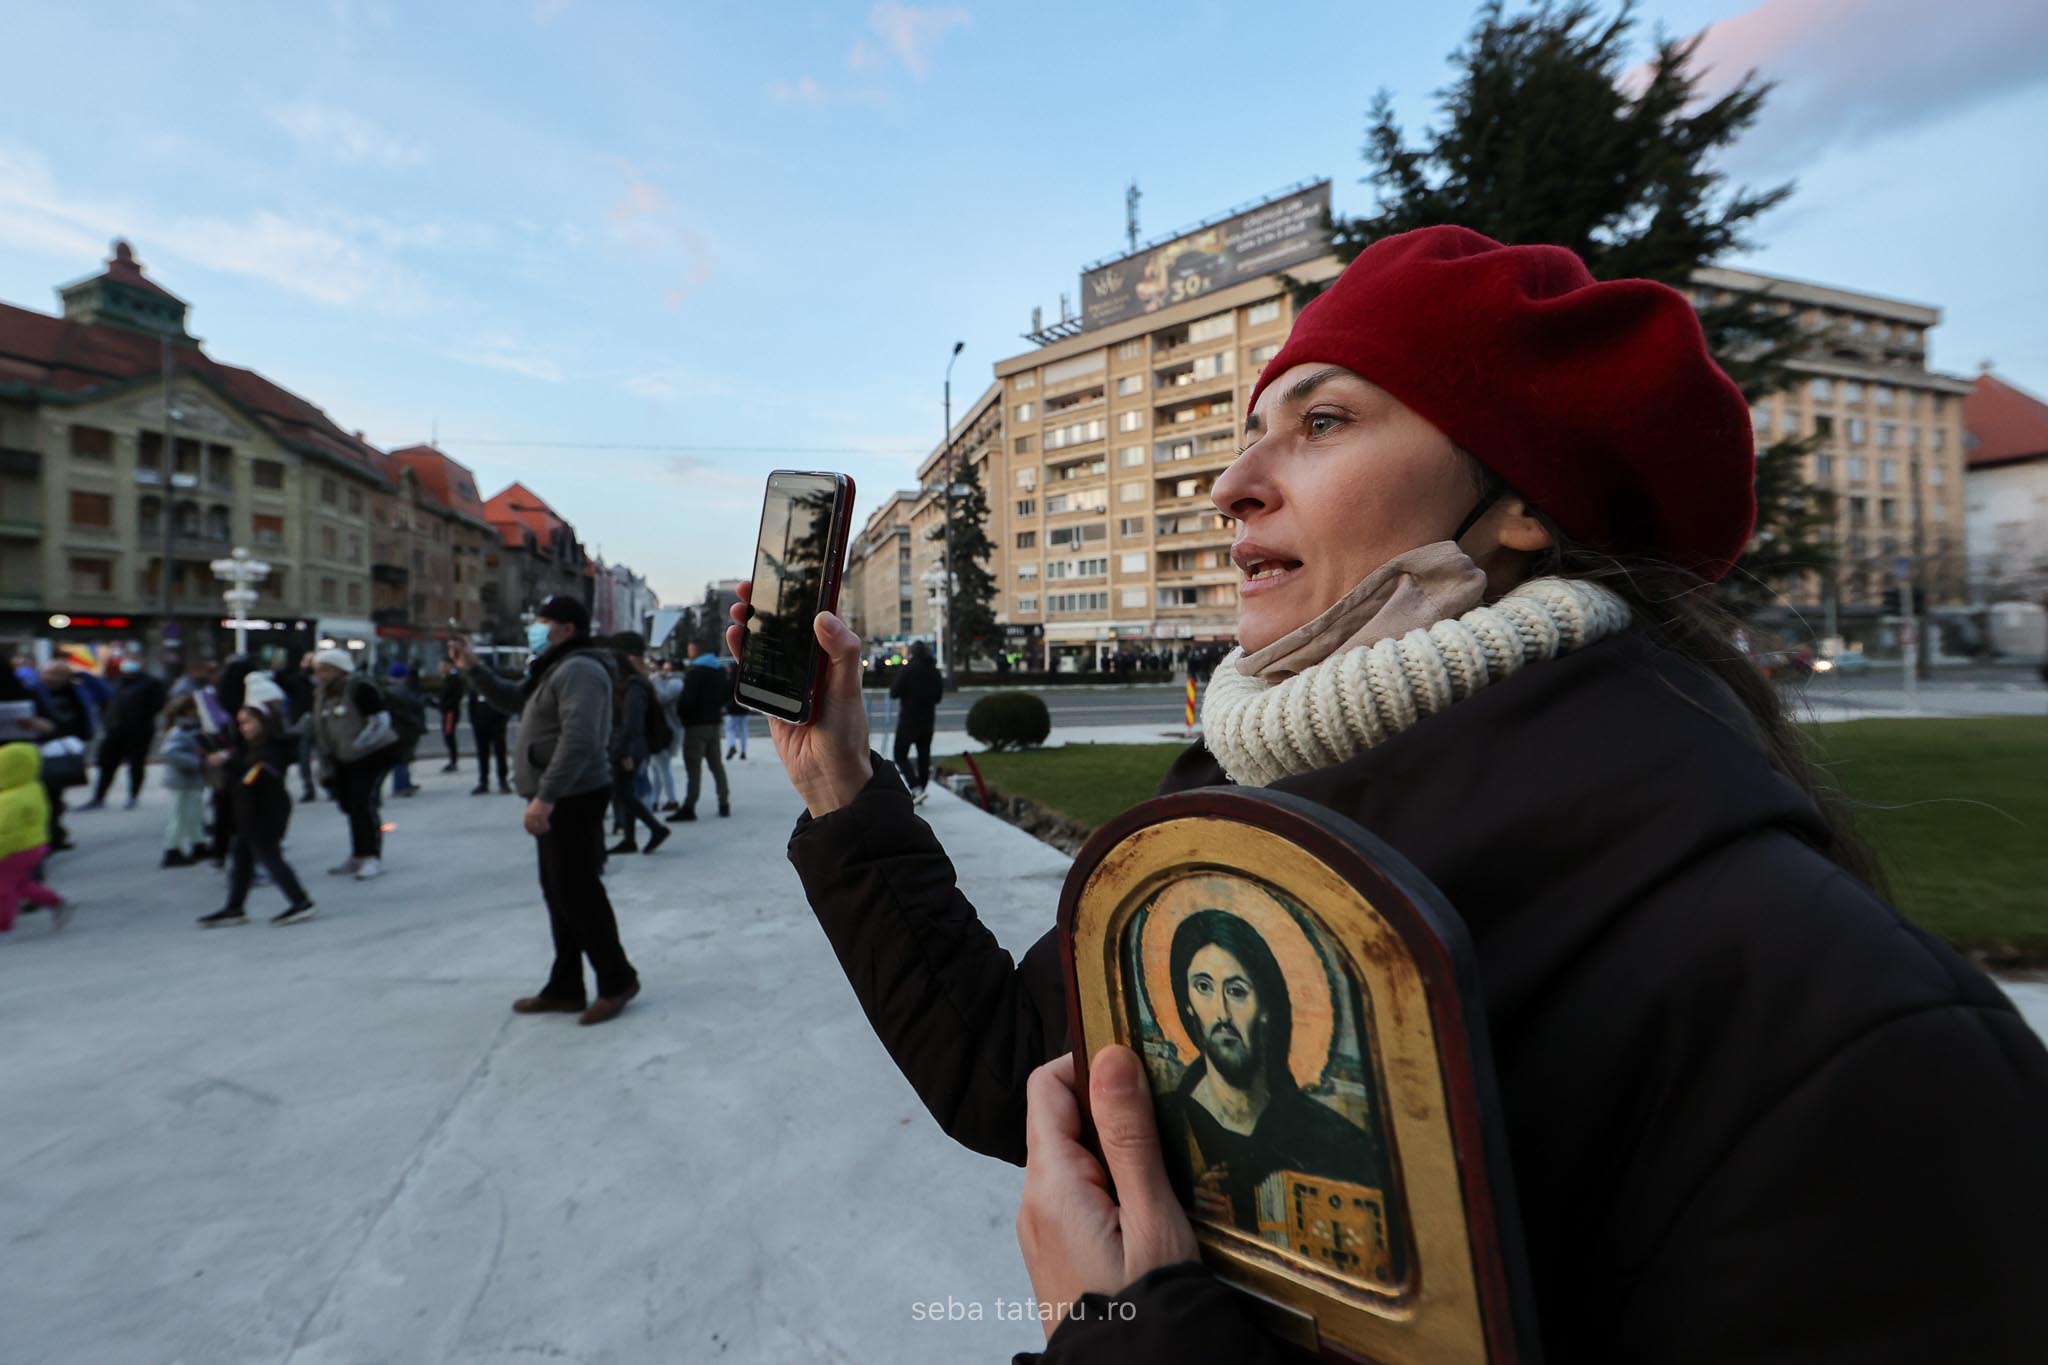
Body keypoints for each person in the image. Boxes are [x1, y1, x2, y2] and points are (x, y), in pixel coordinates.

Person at [738, 226, 2048, 1361]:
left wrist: (1130, 1342)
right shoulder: (1226, 825)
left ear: (1519, 502)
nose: (1233, 483)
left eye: (1322, 421)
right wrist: (841, 787)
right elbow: (1004, 1070)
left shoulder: (1841, 1022)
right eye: (1250, 430)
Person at [453, 595, 640, 1025]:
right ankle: (565, 986)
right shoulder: (554, 666)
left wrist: (546, 796)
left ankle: (617, 980)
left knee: (579, 894)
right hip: (560, 796)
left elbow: (581, 741)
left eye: (543, 621)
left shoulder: (580, 669)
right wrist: (472, 667)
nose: (536, 628)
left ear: (567, 628)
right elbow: (514, 701)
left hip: (574, 796)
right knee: (559, 895)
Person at [198, 704, 315, 928]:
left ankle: (301, 901)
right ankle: (235, 907)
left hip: (266, 813)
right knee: (241, 858)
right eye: (241, 723)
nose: (244, 728)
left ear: (264, 722)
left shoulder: (271, 750)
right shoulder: (250, 748)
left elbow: (251, 777)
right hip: (249, 813)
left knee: (270, 857)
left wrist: (227, 763)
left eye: (249, 722)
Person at [309, 649, 396, 880]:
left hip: (369, 756)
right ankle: (358, 853)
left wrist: (359, 745)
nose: (319, 674)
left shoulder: (360, 688)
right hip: (342, 758)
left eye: (325, 669)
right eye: (318, 669)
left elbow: (380, 721)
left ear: (340, 669)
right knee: (349, 805)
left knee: (364, 804)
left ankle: (372, 856)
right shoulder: (322, 693)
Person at [605, 633, 669, 857]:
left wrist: (623, 752)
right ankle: (629, 838)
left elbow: (632, 724)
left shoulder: (633, 687)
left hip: (630, 749)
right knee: (625, 793)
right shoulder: (629, 686)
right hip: (628, 747)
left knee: (624, 795)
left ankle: (656, 829)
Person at [0, 742, 71, 933]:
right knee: (21, 884)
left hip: (13, 850)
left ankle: (3, 927)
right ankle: (56, 903)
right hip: (33, 846)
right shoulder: (32, 787)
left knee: (4, 890)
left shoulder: (10, 799)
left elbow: (6, 831)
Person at [83, 658, 165, 810]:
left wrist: (139, 718)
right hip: (115, 730)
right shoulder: (117, 682)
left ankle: (133, 796)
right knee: (107, 764)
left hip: (139, 731)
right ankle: (99, 797)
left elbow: (158, 705)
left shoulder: (151, 683)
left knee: (136, 765)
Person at [32, 661, 96, 852]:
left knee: (56, 795)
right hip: (42, 747)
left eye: (60, 674)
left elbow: (104, 693)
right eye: (50, 673)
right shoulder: (33, 690)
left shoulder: (77, 690)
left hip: (68, 747)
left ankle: (54, 835)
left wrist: (83, 675)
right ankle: (50, 837)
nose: (54, 678)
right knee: (45, 796)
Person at [670, 640, 730, 822]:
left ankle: (689, 806)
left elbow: (687, 700)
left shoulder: (694, 672)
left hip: (696, 725)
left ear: (696, 650)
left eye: (690, 649)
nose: (689, 653)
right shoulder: (718, 671)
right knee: (717, 766)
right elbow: (726, 695)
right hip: (714, 723)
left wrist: (683, 716)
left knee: (693, 767)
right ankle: (724, 802)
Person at [887, 639, 942, 803]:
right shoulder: (934, 671)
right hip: (928, 720)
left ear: (911, 653)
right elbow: (938, 697)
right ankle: (922, 788)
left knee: (900, 754)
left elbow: (894, 692)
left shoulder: (908, 670)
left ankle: (915, 787)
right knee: (924, 755)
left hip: (909, 719)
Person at [158, 693, 207, 867]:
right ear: (188, 711)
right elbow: (170, 753)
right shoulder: (180, 730)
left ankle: (198, 843)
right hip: (181, 781)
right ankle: (172, 849)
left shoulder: (191, 728)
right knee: (179, 817)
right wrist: (198, 762)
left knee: (195, 814)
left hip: (191, 781)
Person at [468, 656, 512, 795]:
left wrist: (502, 722)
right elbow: (471, 707)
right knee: (482, 754)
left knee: (500, 753)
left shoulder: (498, 685)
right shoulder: (476, 688)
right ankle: (483, 782)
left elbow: (507, 705)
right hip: (480, 727)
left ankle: (503, 781)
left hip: (497, 725)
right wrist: (474, 722)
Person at [278, 654, 318, 801]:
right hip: (302, 721)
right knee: (304, 756)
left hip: (321, 721)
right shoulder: (297, 680)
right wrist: (279, 669)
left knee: (326, 756)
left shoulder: (321, 680)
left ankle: (330, 786)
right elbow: (283, 684)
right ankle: (309, 787)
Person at [383, 662, 427, 798]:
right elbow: (412, 706)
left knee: (403, 758)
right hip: (403, 730)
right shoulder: (400, 690)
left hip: (397, 729)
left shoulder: (389, 689)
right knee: (402, 759)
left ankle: (404, 784)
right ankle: (401, 786)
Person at [648, 657, 683, 810]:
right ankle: (655, 800)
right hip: (664, 729)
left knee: (663, 766)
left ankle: (671, 799)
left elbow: (663, 698)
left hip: (669, 730)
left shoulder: (676, 682)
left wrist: (656, 681)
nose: (663, 672)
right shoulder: (670, 681)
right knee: (657, 767)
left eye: (666, 669)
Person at [435, 657, 466, 774]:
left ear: (449, 665)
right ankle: (452, 760)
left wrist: (445, 705)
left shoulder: (454, 679)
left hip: (450, 712)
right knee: (447, 736)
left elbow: (455, 697)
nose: (440, 669)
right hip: (446, 711)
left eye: (442, 666)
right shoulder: (448, 679)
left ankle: (453, 761)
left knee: (449, 735)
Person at [721, 658, 748, 761]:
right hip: (743, 709)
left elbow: (725, 694)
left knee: (730, 729)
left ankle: (732, 745)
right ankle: (744, 751)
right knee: (743, 730)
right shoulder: (743, 679)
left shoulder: (729, 680)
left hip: (731, 709)